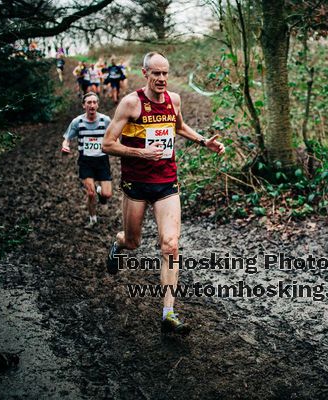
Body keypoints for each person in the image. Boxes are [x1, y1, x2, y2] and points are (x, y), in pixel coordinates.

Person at [102, 52, 225, 335]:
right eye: (155, 73)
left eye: (165, 73)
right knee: (133, 241)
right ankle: (118, 244)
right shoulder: (131, 103)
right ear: (145, 74)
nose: (161, 79)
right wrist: (140, 152)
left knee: (170, 244)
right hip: (136, 183)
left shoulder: (174, 100)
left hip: (167, 182)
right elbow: (107, 144)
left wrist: (203, 141)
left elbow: (178, 126)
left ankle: (168, 313)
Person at [62, 92, 113, 228]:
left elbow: (114, 136)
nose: (92, 105)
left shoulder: (105, 120)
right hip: (86, 162)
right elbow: (67, 138)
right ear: (84, 105)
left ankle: (99, 190)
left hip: (102, 161)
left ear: (97, 104)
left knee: (107, 194)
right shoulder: (77, 122)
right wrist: (65, 146)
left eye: (94, 102)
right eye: (89, 102)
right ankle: (92, 219)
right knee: (90, 193)